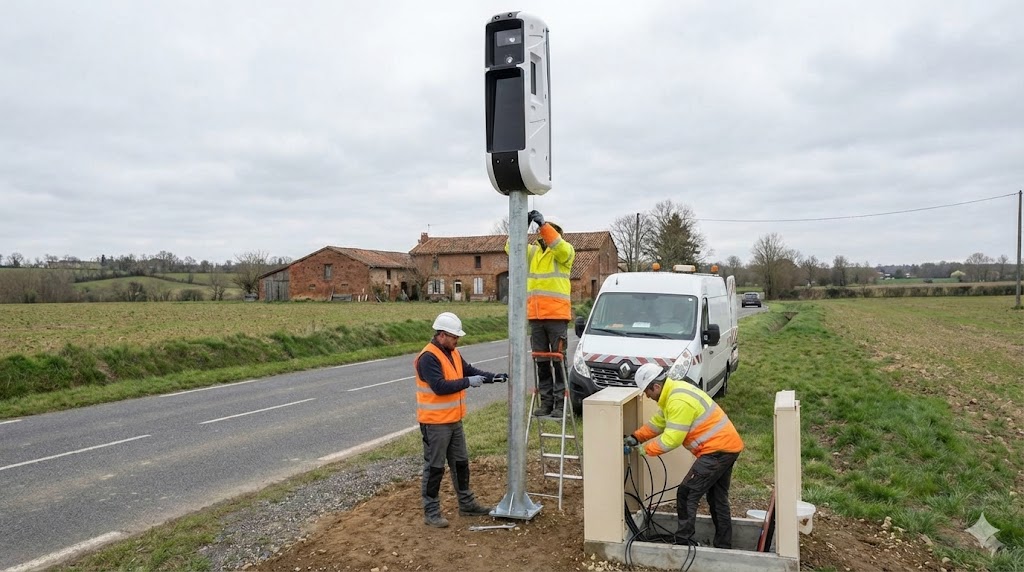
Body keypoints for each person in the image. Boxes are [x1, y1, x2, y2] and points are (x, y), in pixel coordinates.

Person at [624, 363, 744, 548]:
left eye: (647, 392)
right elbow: (659, 423)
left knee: (687, 493)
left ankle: (683, 544)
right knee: (717, 498)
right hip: (726, 447)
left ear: (655, 386)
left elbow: (672, 439)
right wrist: (636, 437)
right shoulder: (673, 393)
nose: (647, 396)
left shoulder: (678, 400)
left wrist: (644, 450)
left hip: (717, 451)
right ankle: (723, 545)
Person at [415, 311, 508, 528]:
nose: (457, 340)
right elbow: (439, 387)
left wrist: (492, 377)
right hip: (435, 423)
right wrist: (468, 382)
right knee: (435, 467)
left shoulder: (453, 353)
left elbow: (469, 371)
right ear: (442, 335)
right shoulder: (428, 357)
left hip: (454, 420)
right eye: (454, 337)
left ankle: (466, 504)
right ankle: (431, 511)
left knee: (461, 463)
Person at [505, 209, 576, 418]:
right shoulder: (533, 253)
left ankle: (560, 405)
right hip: (536, 316)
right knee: (541, 362)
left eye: (550, 230)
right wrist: (522, 226)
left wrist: (543, 225)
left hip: (556, 315)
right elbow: (511, 248)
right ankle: (546, 403)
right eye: (543, 230)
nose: (544, 234)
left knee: (558, 360)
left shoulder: (566, 252)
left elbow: (559, 247)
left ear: (557, 232)